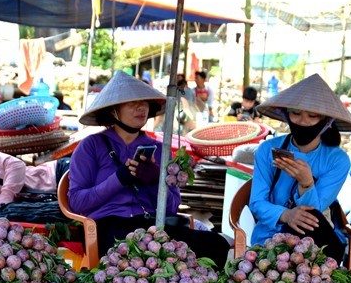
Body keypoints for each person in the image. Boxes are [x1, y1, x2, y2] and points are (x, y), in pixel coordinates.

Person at [68, 71, 230, 269]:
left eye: (145, 103)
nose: (141, 107)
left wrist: (155, 180)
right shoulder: (90, 146)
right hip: (109, 228)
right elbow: (76, 202)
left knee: (216, 244)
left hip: (152, 226)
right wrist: (118, 179)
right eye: (132, 103)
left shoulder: (161, 150)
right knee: (139, 255)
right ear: (113, 110)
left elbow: (171, 207)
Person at [250, 73, 351, 262]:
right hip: (268, 240)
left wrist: (306, 183)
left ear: (326, 121)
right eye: (296, 113)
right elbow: (257, 203)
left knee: (309, 222)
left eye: (312, 115)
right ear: (286, 114)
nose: (302, 121)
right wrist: (285, 215)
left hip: (313, 242)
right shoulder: (267, 150)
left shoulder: (337, 160)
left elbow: (312, 215)